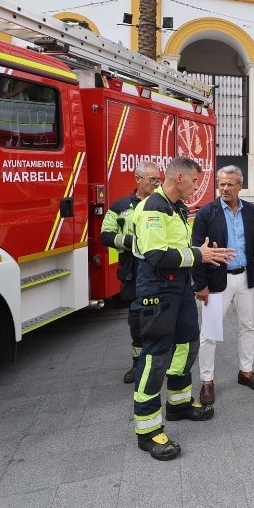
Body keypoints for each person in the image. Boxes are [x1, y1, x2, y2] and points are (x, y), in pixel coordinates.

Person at [130, 156, 235, 461]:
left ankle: (178, 404)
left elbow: (181, 249)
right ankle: (147, 431)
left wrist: (199, 257)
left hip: (179, 288)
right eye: (193, 181)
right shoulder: (152, 207)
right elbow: (155, 254)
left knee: (186, 346)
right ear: (178, 178)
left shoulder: (177, 208)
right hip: (158, 291)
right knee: (156, 357)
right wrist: (198, 255)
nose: (196, 187)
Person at [192, 165, 254, 405]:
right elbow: (197, 250)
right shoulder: (207, 213)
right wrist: (200, 284)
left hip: (244, 279)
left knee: (247, 327)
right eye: (222, 183)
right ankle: (207, 381)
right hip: (217, 281)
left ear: (240, 186)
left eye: (230, 184)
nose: (225, 188)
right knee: (210, 333)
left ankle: (246, 372)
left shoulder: (251, 210)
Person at [99, 159, 162, 384]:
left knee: (160, 316)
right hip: (132, 273)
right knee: (136, 320)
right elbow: (105, 234)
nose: (157, 184)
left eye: (158, 179)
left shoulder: (164, 204)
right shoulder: (120, 206)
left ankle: (160, 359)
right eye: (152, 179)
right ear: (138, 179)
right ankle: (138, 363)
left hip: (159, 272)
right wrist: (133, 241)